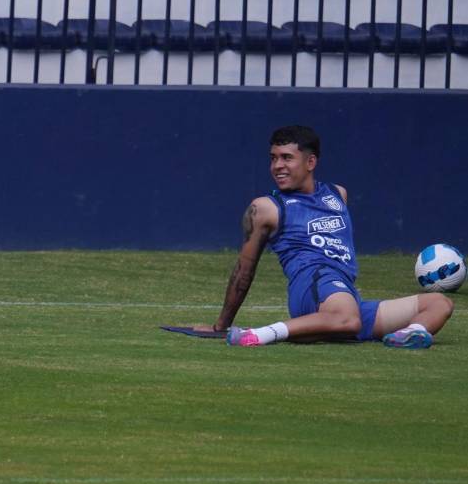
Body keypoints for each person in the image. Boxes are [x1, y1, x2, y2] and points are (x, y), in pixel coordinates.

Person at [194, 125, 454, 349]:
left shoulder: (337, 194)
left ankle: (408, 335)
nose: (277, 166)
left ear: (311, 162)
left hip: (345, 295)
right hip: (313, 285)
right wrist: (221, 325)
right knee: (348, 319)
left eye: (286, 158)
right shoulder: (265, 208)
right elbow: (243, 270)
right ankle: (260, 335)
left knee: (439, 303)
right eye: (273, 158)